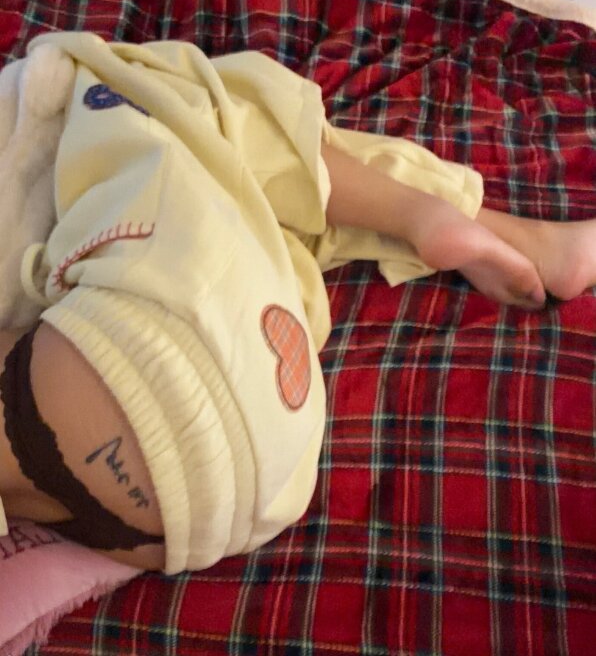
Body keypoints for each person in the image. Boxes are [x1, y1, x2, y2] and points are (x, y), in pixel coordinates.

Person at [0, 32, 594, 574]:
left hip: (206, 512)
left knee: (260, 216)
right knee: (185, 104)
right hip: (179, 377)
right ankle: (430, 214)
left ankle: (470, 228)